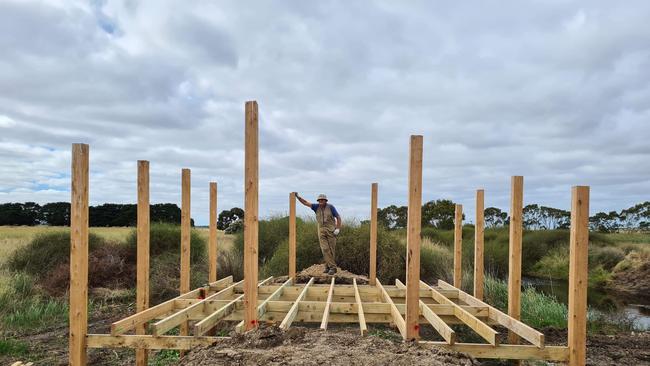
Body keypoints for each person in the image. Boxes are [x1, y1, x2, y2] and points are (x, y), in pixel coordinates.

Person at [294, 193, 342, 275]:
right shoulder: (316, 207)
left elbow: (338, 217)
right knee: (325, 249)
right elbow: (305, 202)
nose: (321, 201)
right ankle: (333, 268)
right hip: (321, 230)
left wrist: (338, 228)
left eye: (322, 200)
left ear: (325, 201)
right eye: (319, 200)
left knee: (331, 250)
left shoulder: (330, 207)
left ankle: (328, 267)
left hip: (331, 231)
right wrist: (298, 197)